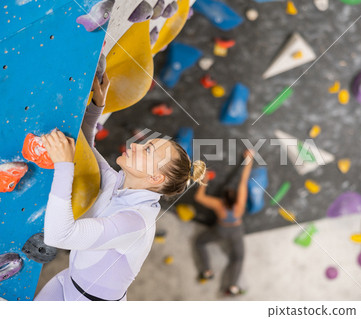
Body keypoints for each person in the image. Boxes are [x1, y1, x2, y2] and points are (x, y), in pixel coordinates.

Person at [35, 74, 206, 301]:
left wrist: (64, 165)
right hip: (68, 282)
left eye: (147, 151)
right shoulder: (117, 183)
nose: (134, 145)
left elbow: (59, 236)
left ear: (155, 178)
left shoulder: (134, 222)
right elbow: (87, 145)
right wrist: (97, 105)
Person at [194, 149, 254, 296]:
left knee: (199, 243)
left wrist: (205, 181)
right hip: (236, 230)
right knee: (238, 258)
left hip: (220, 229)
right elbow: (243, 180)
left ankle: (207, 270)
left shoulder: (218, 204)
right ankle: (233, 286)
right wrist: (249, 160)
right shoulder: (240, 204)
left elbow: (199, 198)